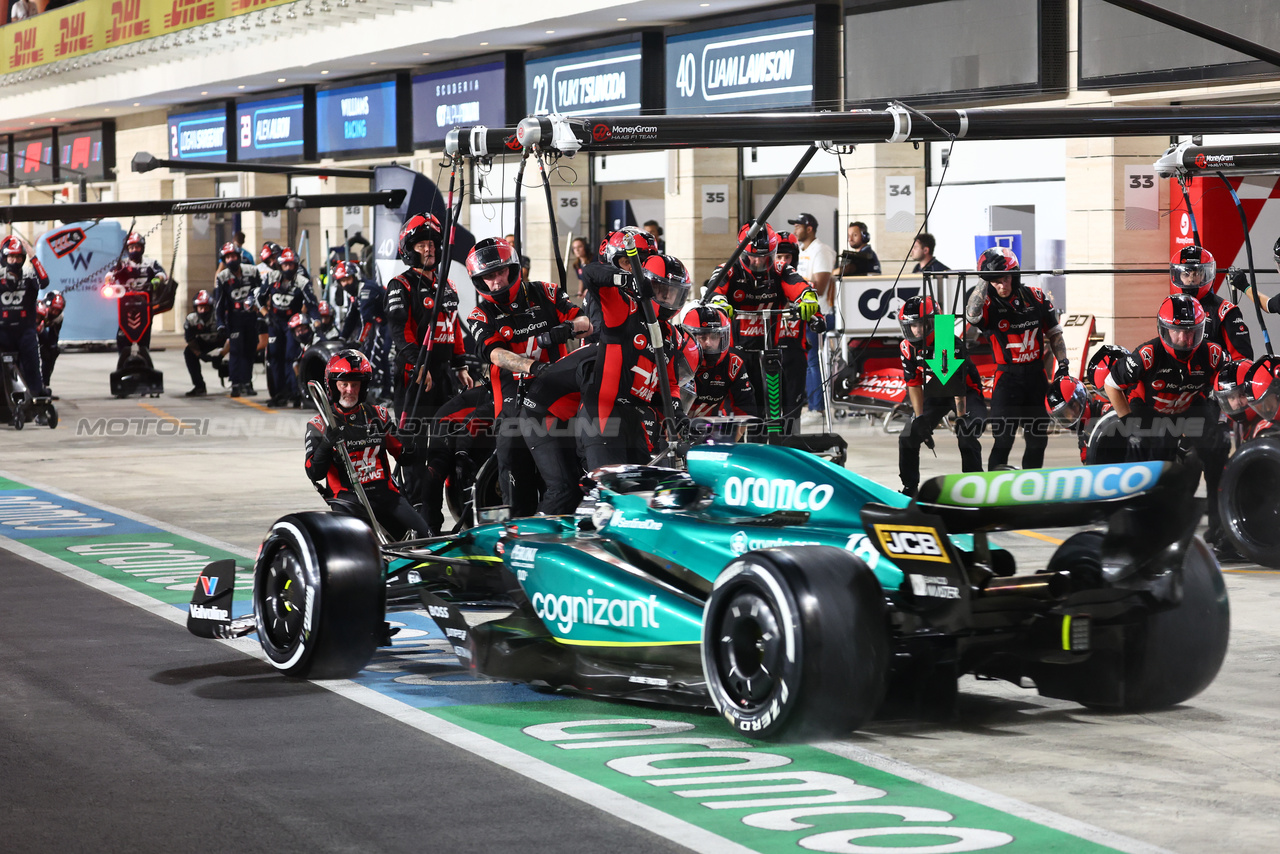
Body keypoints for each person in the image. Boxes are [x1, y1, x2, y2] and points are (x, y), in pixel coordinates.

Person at [467, 237, 590, 516]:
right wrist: (532, 367)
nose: (495, 282)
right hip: (511, 408)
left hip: (556, 404)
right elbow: (495, 354)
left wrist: (566, 329)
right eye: (487, 276)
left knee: (564, 484)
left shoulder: (546, 292)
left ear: (513, 269)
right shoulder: (479, 314)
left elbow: (586, 323)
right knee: (516, 493)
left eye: (499, 272)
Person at [1105, 294, 1229, 552]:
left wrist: (1222, 419)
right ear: (1164, 330)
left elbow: (1229, 385)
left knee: (1218, 447)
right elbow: (1111, 385)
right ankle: (1139, 523)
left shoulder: (1213, 355)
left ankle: (1221, 531)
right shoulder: (1147, 354)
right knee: (1150, 451)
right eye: (1178, 332)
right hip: (1149, 410)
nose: (1186, 339)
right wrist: (1128, 425)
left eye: (1192, 332)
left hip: (1189, 408)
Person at [386, 213, 474, 527]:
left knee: (443, 446)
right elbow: (401, 335)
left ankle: (436, 518)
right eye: (422, 243)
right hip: (415, 379)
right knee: (413, 451)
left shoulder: (446, 284)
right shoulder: (400, 284)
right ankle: (418, 523)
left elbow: (454, 327)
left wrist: (461, 364)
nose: (430, 248)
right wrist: (419, 366)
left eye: (433, 243)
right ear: (409, 248)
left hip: (446, 377)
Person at [578, 230, 687, 469]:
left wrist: (677, 412)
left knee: (645, 485)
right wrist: (627, 279)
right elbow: (590, 273)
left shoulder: (670, 334)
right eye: (629, 263)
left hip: (635, 416)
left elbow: (670, 382)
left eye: (674, 294)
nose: (667, 299)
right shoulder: (621, 306)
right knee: (611, 489)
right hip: (603, 405)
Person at [304, 349, 434, 539]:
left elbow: (406, 457)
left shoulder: (378, 415)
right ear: (332, 386)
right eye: (344, 384)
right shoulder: (319, 424)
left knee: (425, 538)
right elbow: (314, 473)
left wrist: (409, 440)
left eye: (355, 384)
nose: (349, 390)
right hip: (348, 499)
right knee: (365, 546)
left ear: (363, 386)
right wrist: (325, 445)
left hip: (386, 495)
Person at [706, 223, 821, 433]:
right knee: (745, 410)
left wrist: (808, 299)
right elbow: (713, 289)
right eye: (753, 256)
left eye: (766, 256)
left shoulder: (780, 269)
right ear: (742, 251)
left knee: (781, 410)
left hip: (771, 351)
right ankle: (743, 449)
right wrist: (719, 302)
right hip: (736, 352)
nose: (759, 261)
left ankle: (783, 448)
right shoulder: (729, 268)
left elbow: (799, 285)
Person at [965, 247, 1068, 471]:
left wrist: (1063, 365)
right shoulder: (987, 304)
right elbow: (972, 315)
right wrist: (985, 277)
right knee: (1003, 440)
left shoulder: (1037, 296)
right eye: (996, 282)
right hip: (1007, 378)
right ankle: (993, 489)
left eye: (1006, 278)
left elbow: (1055, 334)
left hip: (1036, 377)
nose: (1003, 285)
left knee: (1038, 440)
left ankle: (1031, 486)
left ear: (1015, 275)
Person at [896, 296, 985, 497]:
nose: (917, 330)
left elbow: (958, 387)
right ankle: (910, 487)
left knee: (967, 431)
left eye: (921, 324)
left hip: (965, 391)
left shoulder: (946, 339)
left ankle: (975, 485)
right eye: (912, 325)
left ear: (933, 321)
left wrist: (961, 418)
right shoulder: (905, 347)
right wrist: (919, 418)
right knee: (908, 436)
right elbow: (914, 383)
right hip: (935, 391)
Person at [788, 212, 837, 420]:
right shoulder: (800, 250)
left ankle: (817, 408)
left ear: (809, 228)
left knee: (813, 361)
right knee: (803, 361)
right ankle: (811, 404)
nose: (795, 230)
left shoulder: (821, 251)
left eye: (798, 226)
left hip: (819, 314)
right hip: (800, 315)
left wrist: (797, 285)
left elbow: (821, 286)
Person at [676, 304, 757, 419]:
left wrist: (734, 436)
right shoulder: (673, 358)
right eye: (702, 337)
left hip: (712, 429)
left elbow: (745, 411)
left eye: (714, 337)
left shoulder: (733, 364)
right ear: (688, 336)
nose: (708, 343)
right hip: (672, 427)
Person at [258, 247, 317, 406]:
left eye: (292, 265)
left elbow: (312, 303)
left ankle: (296, 393)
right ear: (280, 265)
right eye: (285, 265)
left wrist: (315, 320)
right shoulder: (271, 277)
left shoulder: (302, 280)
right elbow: (258, 298)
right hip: (275, 322)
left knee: (291, 356)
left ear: (296, 265)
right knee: (274, 356)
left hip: (293, 323)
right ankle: (279, 394)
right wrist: (266, 315)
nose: (288, 268)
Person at [1170, 246, 1251, 360]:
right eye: (1186, 274)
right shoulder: (1169, 308)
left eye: (1197, 274)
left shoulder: (1225, 312)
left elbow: (1242, 360)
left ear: (1206, 275)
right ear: (1177, 276)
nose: (1191, 279)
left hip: (1214, 374)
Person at [110, 231, 169, 372]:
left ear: (142, 248)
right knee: (123, 340)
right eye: (131, 248)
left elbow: (162, 274)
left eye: (137, 247)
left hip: (145, 307)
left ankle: (146, 368)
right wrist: (109, 281)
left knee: (143, 341)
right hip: (125, 307)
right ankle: (123, 367)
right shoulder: (122, 264)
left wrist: (157, 279)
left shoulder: (151, 263)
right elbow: (110, 275)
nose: (134, 250)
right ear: (127, 250)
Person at [0, 236, 50, 398]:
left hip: (25, 332)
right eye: (11, 257)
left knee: (32, 368)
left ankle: (38, 401)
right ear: (4, 257)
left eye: (18, 257)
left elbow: (44, 281)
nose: (14, 261)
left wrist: (33, 256)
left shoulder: (29, 277)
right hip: (3, 332)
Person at [213, 241, 263, 397]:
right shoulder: (222, 277)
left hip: (251, 317)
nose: (231, 260)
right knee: (236, 351)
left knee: (249, 350)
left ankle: (247, 383)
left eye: (233, 256)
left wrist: (261, 312)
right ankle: (235, 383)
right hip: (234, 319)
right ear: (224, 260)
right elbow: (219, 303)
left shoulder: (252, 271)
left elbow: (262, 292)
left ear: (239, 256)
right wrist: (220, 323)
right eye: (228, 258)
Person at [182, 290, 228, 397]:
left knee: (238, 347)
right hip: (204, 343)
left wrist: (221, 355)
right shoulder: (191, 320)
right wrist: (200, 355)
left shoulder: (219, 317)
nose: (203, 311)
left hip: (221, 340)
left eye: (206, 307)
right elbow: (190, 340)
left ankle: (240, 383)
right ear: (195, 308)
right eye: (200, 308)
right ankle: (199, 386)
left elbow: (231, 338)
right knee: (188, 352)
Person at [38, 290, 65, 390]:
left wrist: (52, 347)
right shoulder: (40, 309)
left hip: (43, 333)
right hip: (33, 333)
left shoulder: (59, 317)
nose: (54, 313)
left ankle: (45, 383)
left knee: (53, 352)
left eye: (57, 311)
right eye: (53, 309)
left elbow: (54, 334)